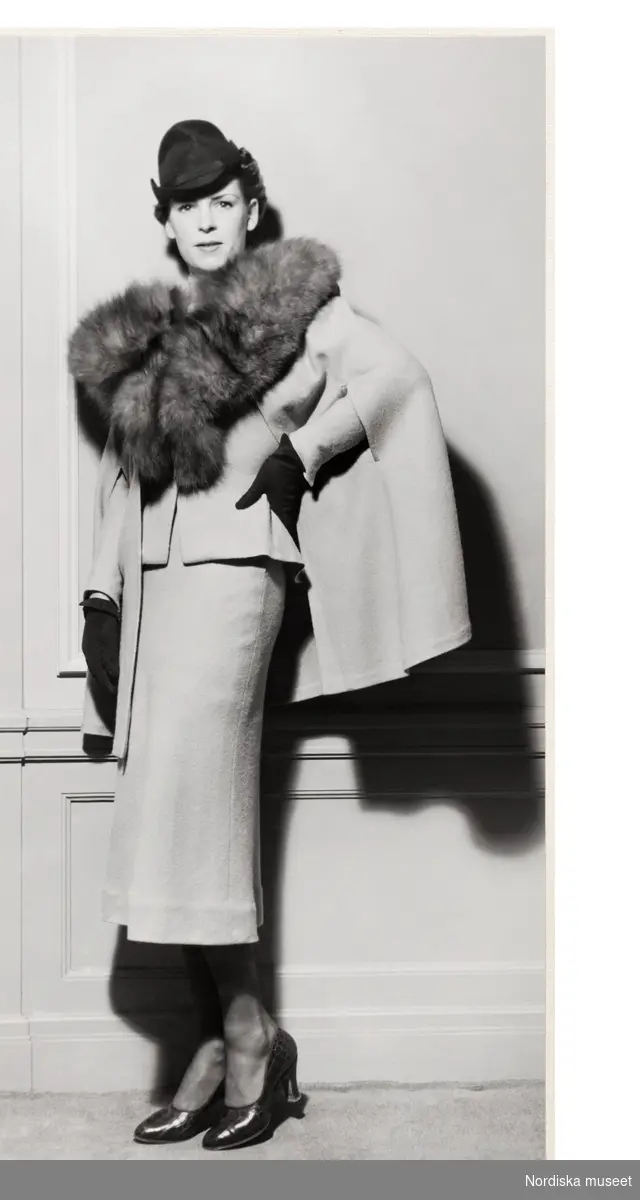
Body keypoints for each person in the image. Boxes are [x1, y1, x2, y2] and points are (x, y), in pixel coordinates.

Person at [68, 119, 470, 1152]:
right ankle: (220, 1041)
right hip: (154, 585)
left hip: (238, 576)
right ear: (166, 222)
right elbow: (122, 478)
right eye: (185, 206)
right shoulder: (156, 332)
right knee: (165, 816)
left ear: (249, 206)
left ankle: (247, 1041)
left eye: (220, 201)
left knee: (200, 811)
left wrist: (301, 453)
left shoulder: (300, 308)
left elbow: (394, 377)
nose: (205, 221)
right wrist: (101, 598)